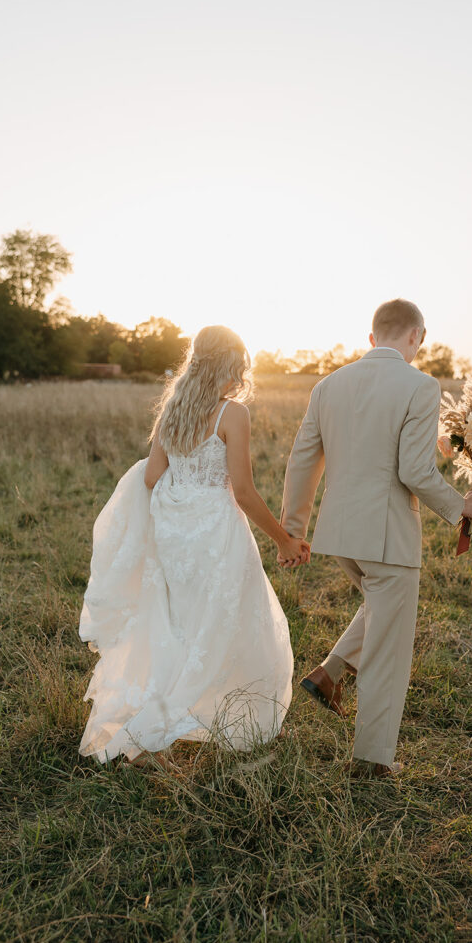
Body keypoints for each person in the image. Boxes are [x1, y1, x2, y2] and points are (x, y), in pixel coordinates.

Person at [280, 299, 472, 778]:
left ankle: (328, 674)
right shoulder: (421, 385)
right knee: (389, 648)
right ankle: (373, 760)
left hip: (340, 535)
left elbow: (302, 460)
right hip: (387, 536)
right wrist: (463, 505)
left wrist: (292, 530)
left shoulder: (328, 385)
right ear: (418, 336)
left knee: (380, 610)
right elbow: (413, 469)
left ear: (372, 336)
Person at [78, 325, 308, 767]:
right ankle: (181, 721)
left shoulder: (173, 411)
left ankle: (162, 720)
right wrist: (284, 539)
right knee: (222, 623)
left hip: (174, 533)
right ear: (231, 363)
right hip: (216, 533)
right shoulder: (232, 414)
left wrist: (184, 489)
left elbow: (150, 478)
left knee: (179, 626)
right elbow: (241, 491)